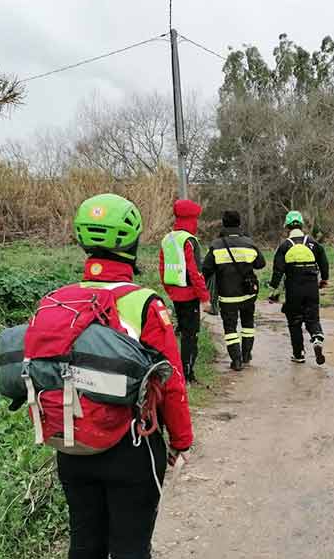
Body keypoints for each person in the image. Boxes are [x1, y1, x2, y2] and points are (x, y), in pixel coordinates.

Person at [64, 193, 193, 558]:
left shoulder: (61, 299)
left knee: (84, 542)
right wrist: (181, 440)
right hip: (131, 444)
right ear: (133, 242)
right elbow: (170, 381)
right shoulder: (143, 303)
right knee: (131, 547)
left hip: (72, 441)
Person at [201, 210, 266, 371]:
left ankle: (236, 360)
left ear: (223, 224)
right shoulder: (249, 243)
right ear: (239, 224)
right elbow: (260, 264)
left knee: (230, 328)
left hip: (227, 296)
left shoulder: (216, 245)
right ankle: (246, 355)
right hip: (248, 294)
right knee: (248, 324)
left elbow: (206, 269)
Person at [159, 199, 211, 384]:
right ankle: (187, 374)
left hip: (175, 293)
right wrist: (205, 298)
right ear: (192, 219)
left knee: (181, 332)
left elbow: (162, 267)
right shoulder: (189, 240)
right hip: (189, 294)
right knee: (191, 335)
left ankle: (178, 370)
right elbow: (195, 272)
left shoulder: (168, 238)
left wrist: (170, 291)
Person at [268, 211, 329, 365]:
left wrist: (273, 290)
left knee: (294, 321)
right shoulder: (313, 243)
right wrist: (324, 279)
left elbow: (278, 271)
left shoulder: (285, 245)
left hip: (293, 287)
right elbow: (324, 262)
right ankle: (316, 337)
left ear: (287, 227)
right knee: (312, 317)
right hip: (311, 286)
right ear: (301, 225)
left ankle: (299, 354)